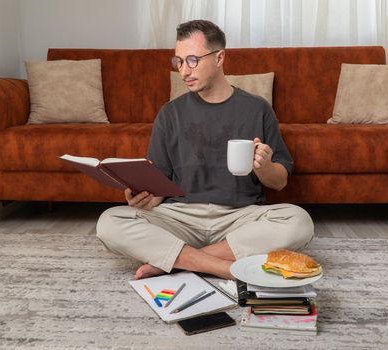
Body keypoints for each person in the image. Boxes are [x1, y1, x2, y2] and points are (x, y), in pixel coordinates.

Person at [96, 19, 314, 280]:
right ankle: (223, 267)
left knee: (299, 221)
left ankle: (177, 261)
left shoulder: (257, 109)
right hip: (180, 217)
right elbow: (158, 189)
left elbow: (280, 182)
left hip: (239, 217)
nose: (184, 71)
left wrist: (264, 167)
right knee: (109, 222)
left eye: (192, 60)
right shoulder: (170, 113)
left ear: (220, 57)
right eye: (178, 62)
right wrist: (142, 199)